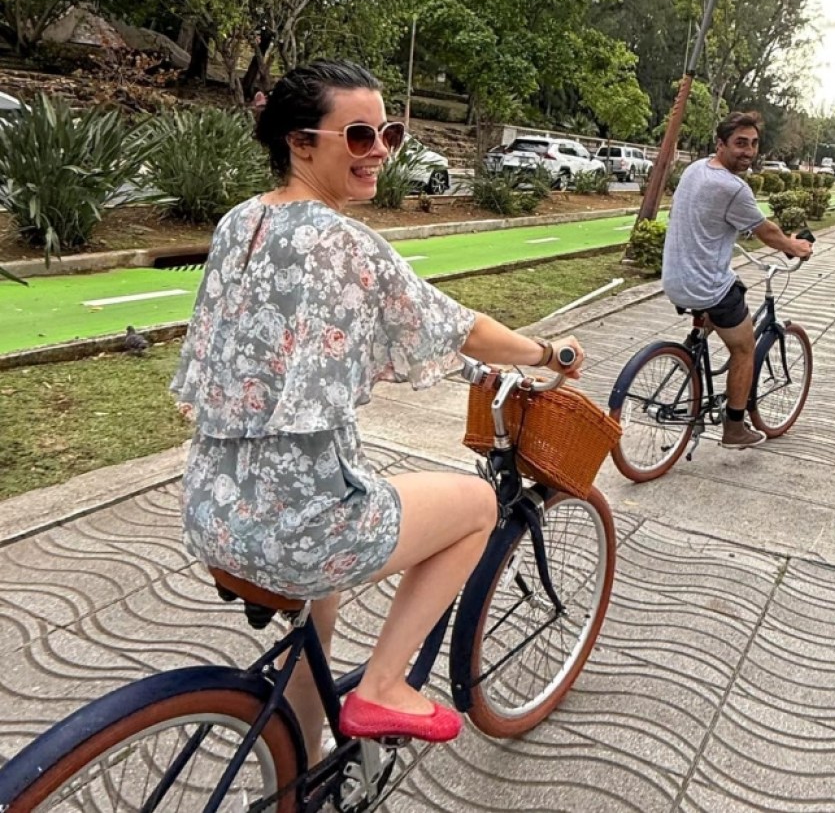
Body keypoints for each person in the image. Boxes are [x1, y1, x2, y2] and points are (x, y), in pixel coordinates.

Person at [169, 60, 584, 760]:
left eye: (387, 132)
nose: (382, 151)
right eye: (359, 135)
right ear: (302, 143)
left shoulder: (240, 221)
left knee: (316, 609)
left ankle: (295, 762)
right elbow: (459, 329)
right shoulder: (346, 243)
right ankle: (383, 687)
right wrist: (548, 354)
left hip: (214, 505)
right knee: (478, 506)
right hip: (299, 520)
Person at [661, 111, 813, 449]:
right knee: (744, 347)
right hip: (705, 286)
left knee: (734, 287)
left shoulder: (695, 169)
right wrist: (795, 247)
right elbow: (768, 233)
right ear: (721, 144)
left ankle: (696, 345)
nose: (748, 151)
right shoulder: (733, 187)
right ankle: (733, 428)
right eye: (740, 143)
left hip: (674, 278)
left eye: (754, 144)